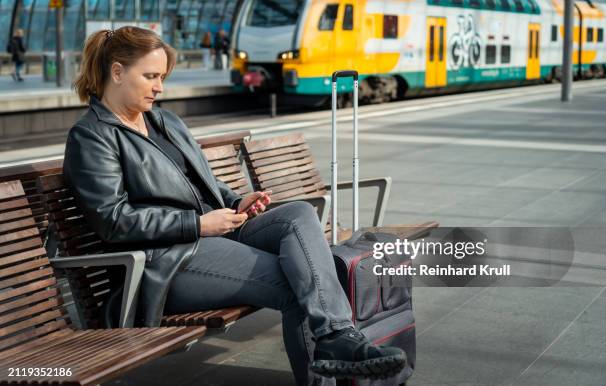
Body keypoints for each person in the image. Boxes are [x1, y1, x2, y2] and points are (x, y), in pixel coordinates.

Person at [66, 26, 406, 385]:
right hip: (168, 260)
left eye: (162, 77)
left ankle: (336, 336)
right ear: (117, 72)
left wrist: (235, 200)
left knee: (298, 214)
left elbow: (201, 182)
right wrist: (197, 225)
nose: (159, 87)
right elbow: (113, 220)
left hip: (214, 236)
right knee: (299, 282)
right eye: (150, 76)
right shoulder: (92, 136)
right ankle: (333, 347)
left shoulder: (164, 121)